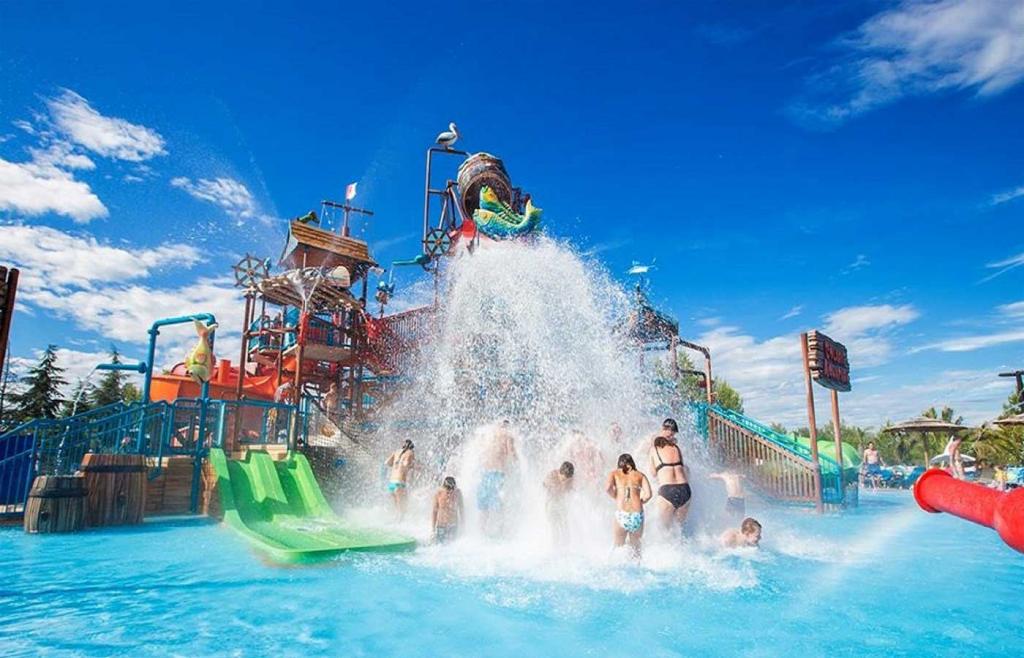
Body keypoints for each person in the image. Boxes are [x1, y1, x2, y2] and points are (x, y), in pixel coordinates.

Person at [605, 454, 652, 557]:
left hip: (622, 514)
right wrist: (640, 502)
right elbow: (648, 495)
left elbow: (607, 488)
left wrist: (616, 496)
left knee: (618, 547)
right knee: (636, 549)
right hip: (637, 515)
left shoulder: (614, 473)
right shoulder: (640, 475)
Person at [478, 420, 519, 535]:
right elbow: (512, 453)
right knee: (500, 503)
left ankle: (482, 531)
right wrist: (518, 466)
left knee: (484, 505)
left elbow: (480, 451)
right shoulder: (508, 435)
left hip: (484, 472)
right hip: (498, 472)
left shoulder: (489, 434)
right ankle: (501, 530)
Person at [648, 432, 691, 532]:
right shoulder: (676, 448)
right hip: (685, 490)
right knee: (679, 529)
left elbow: (653, 473)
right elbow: (683, 468)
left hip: (667, 490)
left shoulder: (654, 450)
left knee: (664, 530)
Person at [544, 461, 575, 544]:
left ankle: (567, 544)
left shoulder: (570, 478)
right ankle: (555, 545)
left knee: (565, 525)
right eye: (564, 479)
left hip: (561, 502)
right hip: (551, 502)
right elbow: (543, 487)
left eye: (567, 480)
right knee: (554, 526)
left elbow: (571, 491)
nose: (565, 481)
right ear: (559, 472)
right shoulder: (552, 476)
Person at [384, 439, 416, 520]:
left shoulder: (397, 452)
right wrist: (411, 466)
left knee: (397, 508)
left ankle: (395, 522)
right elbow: (406, 464)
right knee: (403, 506)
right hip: (399, 482)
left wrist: (396, 465)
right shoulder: (410, 453)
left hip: (391, 483)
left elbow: (387, 462)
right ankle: (401, 522)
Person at [431, 476, 464, 543]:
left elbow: (461, 510)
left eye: (452, 489)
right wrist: (433, 529)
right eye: (448, 490)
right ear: (444, 487)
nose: (450, 492)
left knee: (452, 546)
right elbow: (434, 511)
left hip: (453, 526)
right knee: (439, 545)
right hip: (441, 526)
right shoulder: (439, 494)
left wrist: (463, 526)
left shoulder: (458, 493)